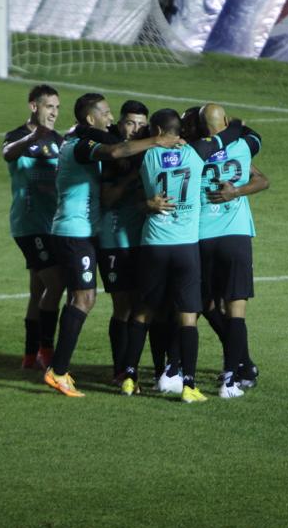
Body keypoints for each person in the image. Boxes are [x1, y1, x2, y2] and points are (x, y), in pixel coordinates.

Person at [43, 94, 182, 397]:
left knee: (84, 298)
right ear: (90, 119)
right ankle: (57, 369)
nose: (110, 119)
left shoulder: (78, 140)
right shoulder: (82, 145)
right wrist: (157, 141)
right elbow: (117, 150)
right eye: (106, 114)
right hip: (74, 232)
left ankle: (60, 368)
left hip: (82, 232)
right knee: (83, 299)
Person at [118, 108, 247, 402]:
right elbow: (231, 133)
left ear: (156, 130)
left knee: (142, 311)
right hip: (186, 246)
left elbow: (122, 154)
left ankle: (129, 377)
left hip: (154, 242)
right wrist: (235, 123)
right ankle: (189, 385)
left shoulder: (146, 154)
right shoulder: (197, 151)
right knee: (188, 316)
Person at [197, 103, 268, 397]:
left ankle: (240, 367)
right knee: (233, 308)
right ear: (224, 121)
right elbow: (263, 180)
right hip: (236, 236)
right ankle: (239, 370)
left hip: (202, 235)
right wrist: (236, 191)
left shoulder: (194, 151)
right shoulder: (242, 147)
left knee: (207, 304)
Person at [2, 85, 65, 369]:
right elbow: (8, 154)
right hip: (29, 224)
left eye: (56, 107)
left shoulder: (59, 140)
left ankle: (29, 355)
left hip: (51, 224)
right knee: (56, 283)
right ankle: (46, 350)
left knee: (37, 290)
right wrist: (32, 138)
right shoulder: (17, 136)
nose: (53, 112)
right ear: (33, 106)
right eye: (49, 106)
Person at [96, 101, 150, 382]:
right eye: (130, 123)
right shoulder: (113, 154)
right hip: (114, 238)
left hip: (143, 240)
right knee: (123, 307)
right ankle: (120, 369)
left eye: (141, 125)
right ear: (120, 124)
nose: (135, 129)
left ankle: (133, 367)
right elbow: (108, 199)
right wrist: (132, 176)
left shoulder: (150, 154)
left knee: (143, 306)